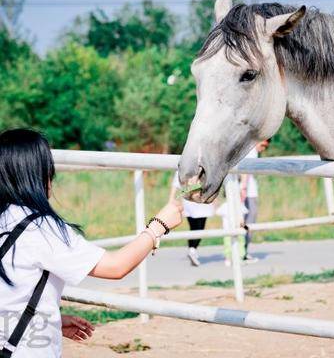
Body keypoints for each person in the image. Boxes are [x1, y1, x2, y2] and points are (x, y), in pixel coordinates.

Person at [0, 129, 183, 358]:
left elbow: (10, 297)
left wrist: (52, 321)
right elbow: (115, 267)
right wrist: (157, 226)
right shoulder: (41, 228)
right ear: (35, 174)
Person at [169, 172, 214, 266]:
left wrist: (171, 199)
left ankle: (192, 250)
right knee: (199, 229)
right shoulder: (202, 164)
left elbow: (175, 184)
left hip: (190, 202)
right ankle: (192, 250)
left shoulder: (185, 165)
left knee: (193, 228)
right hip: (198, 201)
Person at [240, 139, 270, 263]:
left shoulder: (252, 150)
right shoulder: (251, 150)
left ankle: (242, 251)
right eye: (262, 145)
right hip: (248, 192)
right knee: (248, 221)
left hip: (248, 190)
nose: (263, 148)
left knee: (247, 221)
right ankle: (242, 252)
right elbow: (245, 169)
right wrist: (244, 187)